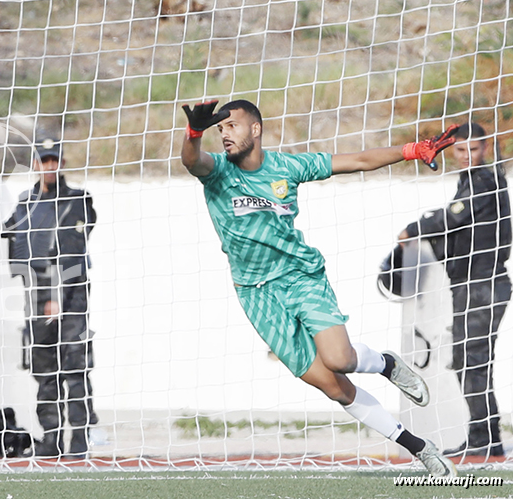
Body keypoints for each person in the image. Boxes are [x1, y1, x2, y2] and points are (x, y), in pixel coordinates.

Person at [180, 98, 459, 477]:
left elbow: (357, 161)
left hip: (300, 276)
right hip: (256, 294)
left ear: (256, 129)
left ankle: (386, 364)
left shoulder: (288, 166)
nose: (225, 135)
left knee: (341, 359)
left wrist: (410, 150)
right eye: (220, 129)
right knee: (334, 387)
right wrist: (194, 134)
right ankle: (419, 447)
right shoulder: (218, 172)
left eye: (233, 126)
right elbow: (192, 161)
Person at [0, 138, 97, 458]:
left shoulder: (78, 201)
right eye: (43, 160)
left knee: (74, 367)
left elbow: (70, 253)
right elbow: (16, 225)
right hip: (36, 293)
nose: (49, 166)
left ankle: (79, 440)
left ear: (62, 162)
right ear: (36, 164)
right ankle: (50, 439)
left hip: (71, 294)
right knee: (44, 368)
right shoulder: (27, 200)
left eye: (54, 160)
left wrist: (56, 296)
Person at [398, 122, 511, 459]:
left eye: (472, 149)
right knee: (469, 361)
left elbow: (451, 218)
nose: (466, 156)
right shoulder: (469, 180)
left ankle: (484, 439)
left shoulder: (485, 180)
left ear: (485, 148)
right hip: (470, 286)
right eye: (460, 150)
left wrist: (411, 230)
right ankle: (485, 437)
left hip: (484, 285)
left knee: (471, 361)